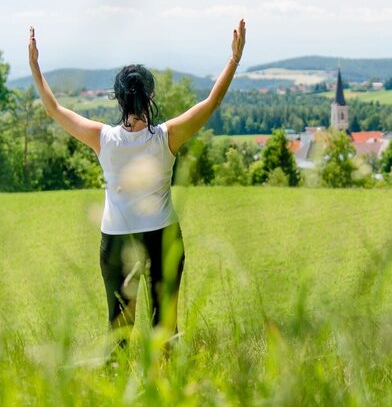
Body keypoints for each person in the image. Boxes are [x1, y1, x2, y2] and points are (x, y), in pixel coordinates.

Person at [28, 20, 246, 346]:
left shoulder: (102, 138)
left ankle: (117, 378)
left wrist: (34, 65)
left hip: (116, 240)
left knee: (119, 335)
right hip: (163, 238)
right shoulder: (167, 136)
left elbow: (54, 109)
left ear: (117, 99)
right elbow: (211, 102)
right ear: (151, 95)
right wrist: (234, 59)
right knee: (166, 332)